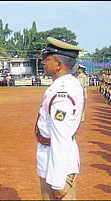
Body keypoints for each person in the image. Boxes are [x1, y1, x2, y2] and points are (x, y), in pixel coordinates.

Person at [36, 37, 85, 200]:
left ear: (58, 64)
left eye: (48, 59)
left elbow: (60, 137)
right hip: (51, 157)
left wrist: (58, 182)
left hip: (57, 165)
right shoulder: (67, 84)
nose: (44, 62)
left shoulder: (62, 94)